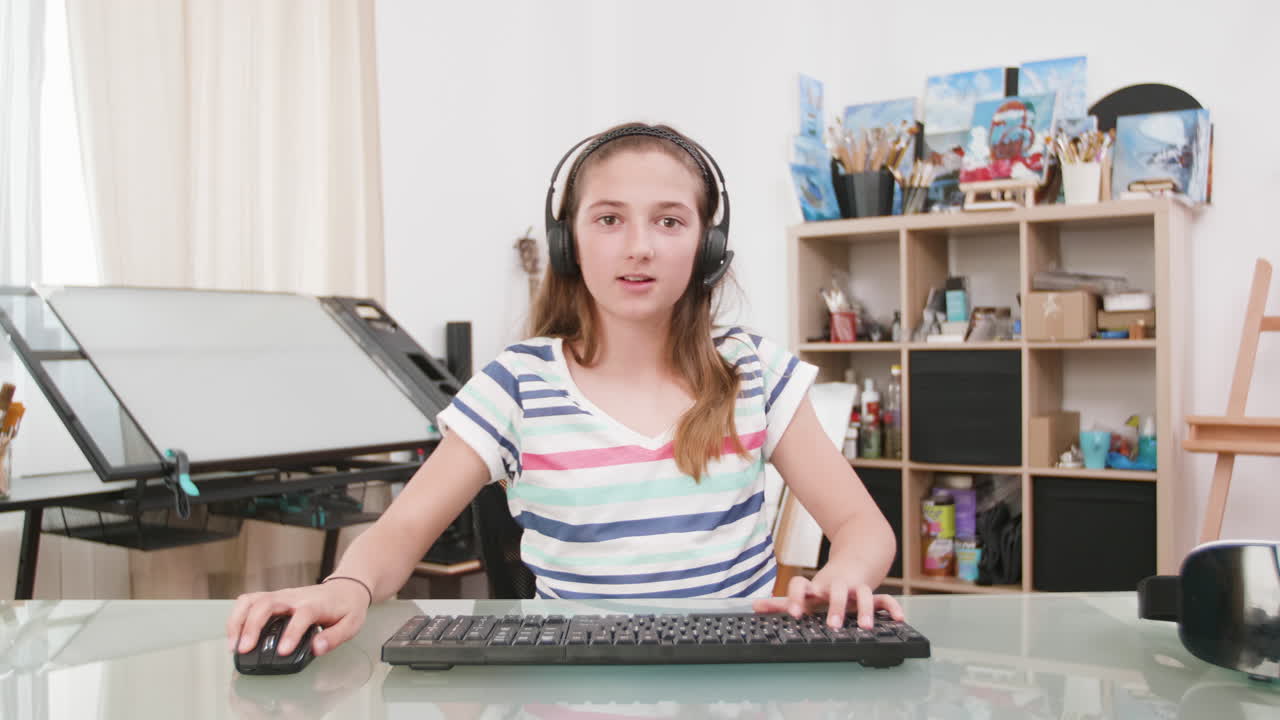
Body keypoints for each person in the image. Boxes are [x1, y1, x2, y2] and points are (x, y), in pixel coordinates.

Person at [226, 122, 902, 661]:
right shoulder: (516, 385)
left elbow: (862, 526)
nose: (639, 246)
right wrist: (343, 585)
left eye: (669, 221)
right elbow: (401, 532)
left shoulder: (754, 373)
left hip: (730, 678)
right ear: (569, 243)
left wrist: (846, 574)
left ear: (707, 245)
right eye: (609, 219)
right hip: (573, 682)